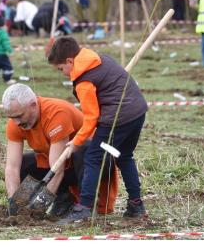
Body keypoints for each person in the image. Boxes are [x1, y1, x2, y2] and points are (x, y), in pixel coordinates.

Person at [47, 37, 148, 224]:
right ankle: (136, 205)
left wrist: (76, 141)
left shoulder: (84, 80)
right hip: (138, 112)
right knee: (124, 156)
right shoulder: (99, 58)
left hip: (117, 120)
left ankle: (84, 208)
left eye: (61, 68)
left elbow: (91, 117)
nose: (62, 73)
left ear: (70, 61)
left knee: (93, 157)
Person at [3, 84, 117, 219]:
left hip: (97, 162)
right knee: (24, 164)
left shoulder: (56, 113)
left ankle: (86, 206)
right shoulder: (16, 123)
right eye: (12, 118)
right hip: (65, 164)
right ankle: (63, 200)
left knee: (84, 148)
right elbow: (12, 167)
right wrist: (14, 202)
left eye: (20, 116)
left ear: (33, 105)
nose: (16, 122)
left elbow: (57, 169)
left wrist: (41, 205)